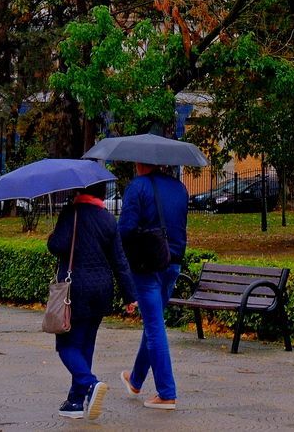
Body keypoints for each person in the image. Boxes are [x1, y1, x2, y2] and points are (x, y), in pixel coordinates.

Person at [47, 181, 134, 421]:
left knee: (65, 345)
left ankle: (89, 383)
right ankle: (75, 402)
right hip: (102, 288)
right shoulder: (107, 218)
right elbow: (120, 260)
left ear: (79, 190)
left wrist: (52, 236)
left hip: (76, 289)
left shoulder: (71, 213)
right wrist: (130, 295)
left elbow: (58, 246)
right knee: (85, 345)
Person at [117, 161, 190, 410]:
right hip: (173, 263)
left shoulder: (137, 187)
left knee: (154, 325)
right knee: (154, 320)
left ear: (139, 162)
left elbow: (125, 229)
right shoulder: (180, 188)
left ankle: (166, 392)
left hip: (147, 264)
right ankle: (136, 380)